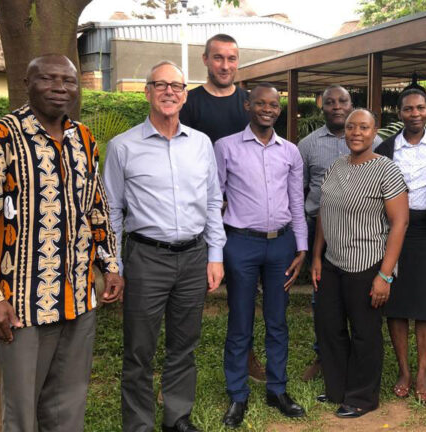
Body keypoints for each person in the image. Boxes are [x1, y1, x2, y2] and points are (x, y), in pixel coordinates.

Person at [0, 54, 123, 431]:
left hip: (78, 297)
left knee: (69, 406)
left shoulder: (83, 139)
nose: (59, 88)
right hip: (20, 305)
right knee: (21, 412)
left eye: (67, 81)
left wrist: (110, 264)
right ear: (27, 84)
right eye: (48, 79)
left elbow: (96, 208)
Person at [105, 60, 226, 432]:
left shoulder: (201, 144)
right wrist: (113, 266)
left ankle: (177, 419)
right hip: (145, 258)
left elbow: (212, 202)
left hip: (193, 257)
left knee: (183, 346)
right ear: (147, 92)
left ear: (185, 94)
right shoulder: (122, 147)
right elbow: (111, 209)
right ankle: (139, 425)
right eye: (161, 85)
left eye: (176, 85)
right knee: (139, 351)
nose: (169, 91)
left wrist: (215, 254)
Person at [215, 83, 307, 428]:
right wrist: (216, 249)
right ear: (247, 106)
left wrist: (300, 246)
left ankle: (277, 389)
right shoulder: (225, 148)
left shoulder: (290, 152)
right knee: (240, 322)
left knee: (277, 320)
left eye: (274, 105)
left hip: (281, 245)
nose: (268, 109)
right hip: (241, 243)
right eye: (261, 103)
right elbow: (215, 200)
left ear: (279, 110)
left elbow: (296, 202)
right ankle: (238, 395)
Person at [179, 33, 265, 383]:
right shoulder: (189, 103)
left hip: (242, 218)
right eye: (218, 58)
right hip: (198, 214)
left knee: (244, 293)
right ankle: (181, 368)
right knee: (191, 294)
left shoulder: (250, 102)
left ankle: (247, 357)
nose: (225, 65)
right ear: (205, 60)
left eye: (231, 58)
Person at [311, 108, 409, 418]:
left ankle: (363, 397)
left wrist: (385, 275)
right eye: (351, 127)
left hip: (366, 265)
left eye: (363, 127)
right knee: (330, 328)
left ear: (374, 131)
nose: (356, 132)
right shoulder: (335, 167)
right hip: (331, 264)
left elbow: (400, 223)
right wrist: (316, 256)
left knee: (365, 334)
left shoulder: (386, 170)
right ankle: (338, 387)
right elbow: (324, 214)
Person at [375, 88, 426, 403]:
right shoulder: (384, 149)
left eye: (420, 108)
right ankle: (404, 370)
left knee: (425, 307)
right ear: (399, 113)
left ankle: (422, 371)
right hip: (393, 231)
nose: (415, 114)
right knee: (395, 304)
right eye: (408, 109)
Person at [298, 84, 381, 381]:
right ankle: (326, 355)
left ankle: (358, 360)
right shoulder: (307, 145)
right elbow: (301, 189)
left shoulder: (377, 141)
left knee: (360, 300)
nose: (336, 106)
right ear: (322, 106)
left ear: (351, 103)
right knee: (323, 298)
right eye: (330, 102)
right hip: (319, 227)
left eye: (342, 101)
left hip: (362, 234)